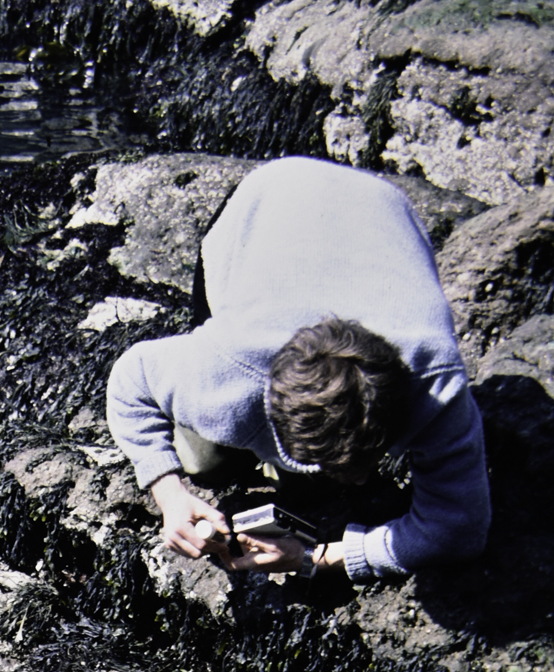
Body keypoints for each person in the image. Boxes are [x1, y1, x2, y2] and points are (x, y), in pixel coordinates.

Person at [105, 157, 491, 583]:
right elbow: (130, 380)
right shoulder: (228, 369)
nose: (363, 479)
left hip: (380, 209)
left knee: (318, 486)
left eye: (370, 456)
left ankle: (303, 471)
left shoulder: (435, 384)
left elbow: (459, 530)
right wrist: (169, 492)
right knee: (207, 464)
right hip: (268, 200)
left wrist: (319, 557)